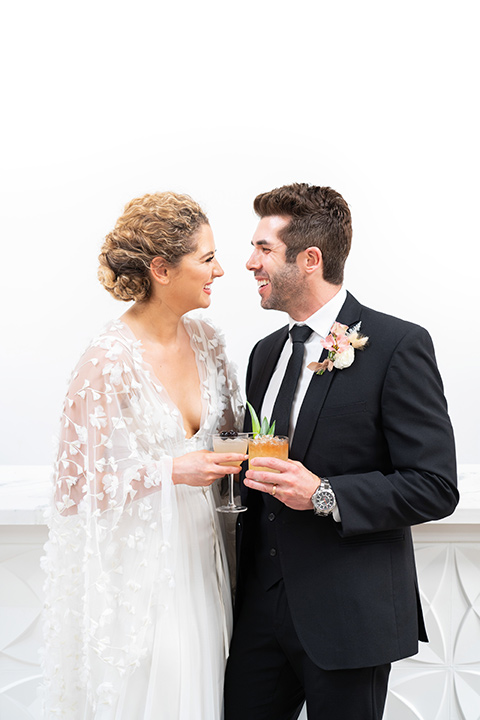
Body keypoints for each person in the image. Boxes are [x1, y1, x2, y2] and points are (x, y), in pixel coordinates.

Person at [224, 183, 458, 720]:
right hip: (259, 614)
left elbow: (435, 485)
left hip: (350, 617)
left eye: (263, 249)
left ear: (309, 259)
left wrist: (325, 493)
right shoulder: (266, 354)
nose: (249, 263)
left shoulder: (398, 345)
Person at [41, 192, 245, 719]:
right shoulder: (106, 361)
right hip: (145, 570)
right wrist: (169, 471)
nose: (220, 270)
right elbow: (72, 489)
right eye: (206, 258)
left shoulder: (208, 342)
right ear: (161, 269)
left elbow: (235, 436)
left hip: (208, 555)